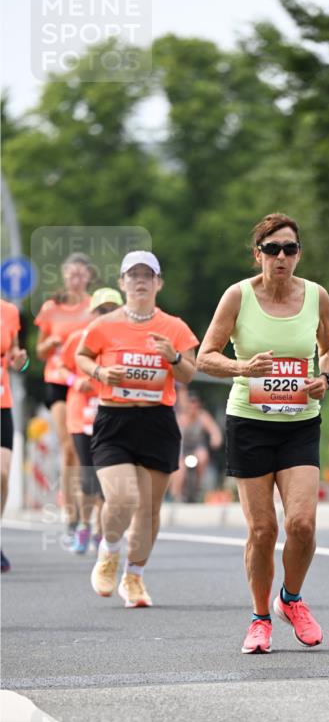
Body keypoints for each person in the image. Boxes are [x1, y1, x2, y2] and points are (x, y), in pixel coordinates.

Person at [197, 213, 329, 654]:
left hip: (299, 423)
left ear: (299, 254)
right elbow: (205, 356)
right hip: (249, 423)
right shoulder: (238, 296)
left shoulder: (316, 296)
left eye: (290, 249)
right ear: (258, 252)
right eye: (273, 248)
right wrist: (243, 367)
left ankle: (290, 599)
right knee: (262, 530)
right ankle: (260, 619)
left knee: (302, 524)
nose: (282, 257)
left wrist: (325, 378)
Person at [76, 251, 199, 606]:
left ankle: (134, 577)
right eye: (133, 275)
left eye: (148, 274)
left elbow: (189, 372)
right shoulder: (104, 325)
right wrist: (100, 373)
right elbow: (82, 356)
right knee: (123, 497)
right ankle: (109, 550)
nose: (141, 280)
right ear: (122, 282)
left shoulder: (174, 327)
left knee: (149, 509)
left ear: (159, 283)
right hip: (114, 421)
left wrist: (173, 357)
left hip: (157, 422)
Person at [58, 287, 124, 553]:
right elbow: (61, 367)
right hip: (80, 414)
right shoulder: (78, 339)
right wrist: (77, 380)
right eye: (102, 310)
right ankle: (84, 527)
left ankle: (100, 530)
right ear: (93, 313)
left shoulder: (123, 340)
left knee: (107, 478)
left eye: (112, 310)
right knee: (88, 476)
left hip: (111, 413)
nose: (106, 315)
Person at [35, 252, 95, 538]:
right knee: (68, 446)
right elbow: (38, 351)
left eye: (81, 274)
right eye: (72, 274)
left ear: (89, 277)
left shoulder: (94, 307)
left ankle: (88, 509)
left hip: (86, 383)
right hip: (58, 381)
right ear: (64, 275)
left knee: (87, 446)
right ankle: (70, 512)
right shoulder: (51, 307)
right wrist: (51, 343)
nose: (76, 279)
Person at [1, 299, 28, 572]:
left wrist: (21, 361)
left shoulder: (8, 312)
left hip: (2, 403)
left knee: (2, 474)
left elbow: (18, 358)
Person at [170, 390, 223, 502]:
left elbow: (214, 430)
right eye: (190, 404)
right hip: (182, 449)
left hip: (197, 448)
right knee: (179, 467)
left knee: (203, 456)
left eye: (196, 405)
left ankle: (198, 485)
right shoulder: (179, 418)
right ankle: (175, 495)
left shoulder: (203, 416)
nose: (193, 408)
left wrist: (216, 438)